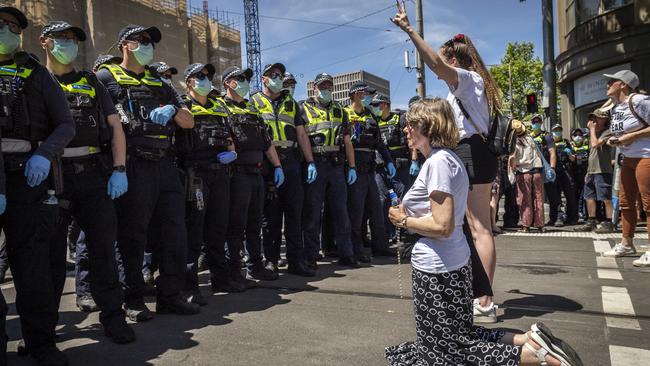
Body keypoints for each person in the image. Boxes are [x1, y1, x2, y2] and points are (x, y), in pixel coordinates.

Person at [385, 97, 582, 366]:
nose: (405, 129)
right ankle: (528, 340)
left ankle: (536, 357)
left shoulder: (438, 163)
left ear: (427, 127)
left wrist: (403, 220)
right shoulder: (447, 159)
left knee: (446, 353)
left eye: (410, 124)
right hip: (449, 262)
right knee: (458, 336)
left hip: (437, 268)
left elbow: (442, 226)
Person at [392, 8, 499, 323]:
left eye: (442, 62)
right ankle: (477, 293)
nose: (438, 70)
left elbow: (435, 64)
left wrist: (410, 31)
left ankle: (484, 300)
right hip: (474, 153)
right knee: (471, 226)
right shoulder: (473, 83)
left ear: (453, 61)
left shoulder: (466, 79)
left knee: (478, 227)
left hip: (473, 152)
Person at [40, 20, 135, 343]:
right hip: (50, 177)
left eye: (73, 39)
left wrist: (119, 169)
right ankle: (43, 331)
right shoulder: (38, 80)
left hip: (94, 174)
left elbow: (115, 126)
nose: (69, 44)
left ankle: (114, 317)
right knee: (49, 259)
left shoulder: (91, 81)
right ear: (44, 42)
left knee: (103, 251)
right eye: (61, 38)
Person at [97, 24, 199, 321]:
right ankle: (133, 298)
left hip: (165, 164)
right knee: (132, 235)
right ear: (124, 45)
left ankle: (170, 295)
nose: (147, 45)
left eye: (150, 42)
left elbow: (188, 120)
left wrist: (172, 109)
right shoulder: (105, 77)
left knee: (173, 233)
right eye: (141, 40)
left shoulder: (160, 82)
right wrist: (117, 168)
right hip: (133, 164)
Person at [0, 6, 76, 365]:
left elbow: (64, 123)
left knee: (33, 269)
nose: (8, 30)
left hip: (27, 178)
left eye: (14, 26)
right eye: (1, 24)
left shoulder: (34, 72)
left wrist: (45, 154)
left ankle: (41, 343)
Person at [220, 65, 285, 281]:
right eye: (239, 78)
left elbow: (267, 142)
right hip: (236, 173)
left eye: (245, 78)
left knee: (255, 223)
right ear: (227, 83)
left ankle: (256, 266)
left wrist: (277, 166)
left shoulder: (251, 108)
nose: (244, 82)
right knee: (236, 225)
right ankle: (235, 269)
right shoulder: (221, 106)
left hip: (256, 173)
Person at [251, 63, 315, 277]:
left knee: (294, 214)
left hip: (291, 163)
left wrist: (310, 162)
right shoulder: (254, 101)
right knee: (271, 216)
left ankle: (296, 260)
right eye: (274, 75)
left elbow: (302, 135)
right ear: (264, 79)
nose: (278, 78)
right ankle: (271, 260)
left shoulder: (291, 103)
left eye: (280, 75)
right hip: (268, 164)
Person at [300, 72, 358, 268]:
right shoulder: (303, 108)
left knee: (341, 212)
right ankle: (311, 255)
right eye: (322, 86)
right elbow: (301, 138)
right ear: (314, 88)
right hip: (315, 164)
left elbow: (347, 141)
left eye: (329, 86)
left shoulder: (340, 110)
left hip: (336, 166)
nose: (326, 90)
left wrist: (352, 166)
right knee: (313, 213)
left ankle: (346, 253)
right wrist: (309, 162)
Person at [601, 70, 650, 267]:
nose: (607, 85)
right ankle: (626, 243)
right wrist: (615, 140)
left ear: (623, 84)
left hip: (645, 156)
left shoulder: (638, 100)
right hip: (627, 158)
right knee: (626, 202)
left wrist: (629, 137)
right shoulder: (615, 107)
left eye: (611, 82)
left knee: (648, 204)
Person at [345, 82, 396, 262]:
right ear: (356, 94)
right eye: (366, 93)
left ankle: (380, 246)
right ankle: (356, 249)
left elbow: (379, 144)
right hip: (354, 171)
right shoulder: (345, 113)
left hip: (370, 170)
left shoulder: (370, 116)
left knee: (375, 210)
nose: (369, 97)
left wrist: (388, 160)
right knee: (356, 212)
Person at [371, 93, 417, 241]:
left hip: (400, 165)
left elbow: (411, 140)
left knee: (404, 199)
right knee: (383, 200)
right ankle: (388, 233)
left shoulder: (400, 119)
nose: (374, 107)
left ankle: (405, 233)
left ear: (385, 104)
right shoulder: (375, 121)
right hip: (381, 167)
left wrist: (414, 160)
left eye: (377, 105)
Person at [574, 105, 615, 233]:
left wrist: (591, 130)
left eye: (596, 118)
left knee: (605, 197)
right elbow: (592, 154)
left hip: (603, 170)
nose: (593, 121)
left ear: (604, 119)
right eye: (592, 118)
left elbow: (595, 144)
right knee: (589, 196)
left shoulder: (607, 132)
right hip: (592, 171)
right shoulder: (593, 134)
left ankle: (609, 222)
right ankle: (591, 220)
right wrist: (588, 171)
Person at [510, 120, 545, 232]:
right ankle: (540, 225)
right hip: (537, 171)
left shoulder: (515, 142)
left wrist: (512, 167)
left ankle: (526, 225)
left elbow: (512, 159)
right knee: (538, 197)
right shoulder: (531, 139)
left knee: (525, 199)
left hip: (523, 172)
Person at [528, 115, 560, 227]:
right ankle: (533, 220)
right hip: (533, 169)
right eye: (534, 121)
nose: (536, 123)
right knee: (534, 196)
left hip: (545, 170)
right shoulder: (528, 136)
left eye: (538, 121)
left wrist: (552, 168)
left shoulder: (546, 136)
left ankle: (554, 218)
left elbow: (552, 153)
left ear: (541, 123)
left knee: (552, 196)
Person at [549, 124, 578, 226]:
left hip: (566, 170)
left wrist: (569, 153)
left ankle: (572, 218)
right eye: (555, 130)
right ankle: (556, 218)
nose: (557, 132)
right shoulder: (549, 142)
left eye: (559, 130)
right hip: (554, 171)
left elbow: (573, 159)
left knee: (570, 195)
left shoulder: (567, 143)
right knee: (554, 196)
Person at [570, 128, 590, 220]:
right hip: (573, 173)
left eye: (580, 135)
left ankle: (584, 213)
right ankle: (573, 214)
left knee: (584, 194)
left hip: (584, 172)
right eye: (575, 135)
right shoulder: (570, 146)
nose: (578, 137)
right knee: (573, 195)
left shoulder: (587, 146)